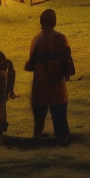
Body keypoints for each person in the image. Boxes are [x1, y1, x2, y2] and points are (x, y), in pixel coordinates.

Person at [26, 8, 75, 145]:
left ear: (41, 22)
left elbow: (31, 61)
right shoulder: (61, 38)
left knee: (39, 114)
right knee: (59, 114)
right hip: (57, 83)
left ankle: (37, 136)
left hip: (40, 84)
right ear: (54, 22)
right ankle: (63, 138)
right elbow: (67, 59)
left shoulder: (37, 39)